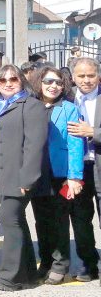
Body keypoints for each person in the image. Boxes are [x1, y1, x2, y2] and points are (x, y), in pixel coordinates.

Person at [0, 64, 48, 291]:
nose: (8, 83)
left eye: (13, 79)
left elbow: (34, 146)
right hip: (0, 173)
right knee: (16, 221)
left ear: (21, 81)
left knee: (9, 219)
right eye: (2, 80)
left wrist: (27, 179)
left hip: (18, 176)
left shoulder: (31, 105)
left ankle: (10, 276)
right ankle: (27, 272)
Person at [31, 66, 86, 285]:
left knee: (59, 220)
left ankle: (60, 264)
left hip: (60, 173)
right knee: (40, 220)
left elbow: (75, 144)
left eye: (58, 82)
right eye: (48, 81)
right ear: (39, 83)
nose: (53, 86)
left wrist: (74, 176)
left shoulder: (69, 109)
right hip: (36, 172)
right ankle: (45, 261)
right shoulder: (31, 106)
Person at [66, 57, 101, 282]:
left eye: (91, 75)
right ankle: (89, 264)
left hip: (99, 164)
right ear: (73, 78)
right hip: (77, 170)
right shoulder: (67, 99)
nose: (86, 80)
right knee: (80, 219)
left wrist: (93, 132)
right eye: (81, 76)